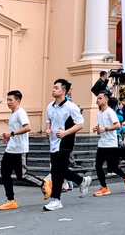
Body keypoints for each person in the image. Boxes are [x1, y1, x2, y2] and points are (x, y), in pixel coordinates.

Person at [42, 79, 89, 211]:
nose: (53, 89)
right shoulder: (49, 106)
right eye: (53, 87)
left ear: (63, 91)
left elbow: (80, 124)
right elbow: (48, 121)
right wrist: (48, 129)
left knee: (57, 171)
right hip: (53, 141)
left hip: (65, 142)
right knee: (58, 170)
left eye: (56, 88)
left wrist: (65, 133)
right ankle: (81, 181)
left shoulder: (71, 107)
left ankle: (56, 199)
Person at [0, 90, 37, 211]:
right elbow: (15, 132)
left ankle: (44, 184)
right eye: (7, 100)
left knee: (21, 176)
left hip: (19, 149)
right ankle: (11, 200)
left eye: (10, 100)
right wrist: (8, 138)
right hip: (11, 149)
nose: (8, 102)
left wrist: (11, 134)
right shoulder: (13, 114)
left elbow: (28, 127)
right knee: (5, 174)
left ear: (18, 101)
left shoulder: (20, 113)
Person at [92, 92, 125, 196]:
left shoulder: (110, 112)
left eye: (100, 98)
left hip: (111, 144)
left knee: (113, 167)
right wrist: (97, 129)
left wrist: (105, 129)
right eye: (97, 98)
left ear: (106, 100)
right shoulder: (99, 113)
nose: (98, 100)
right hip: (102, 143)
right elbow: (101, 127)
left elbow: (117, 126)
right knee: (98, 166)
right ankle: (104, 188)